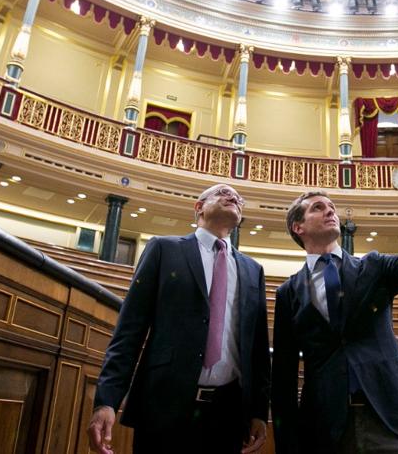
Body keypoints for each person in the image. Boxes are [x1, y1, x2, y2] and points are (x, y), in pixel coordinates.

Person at [272, 133, 398, 454]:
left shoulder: (374, 267)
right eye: (318, 208)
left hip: (387, 416)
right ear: (299, 227)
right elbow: (282, 376)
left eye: (332, 207)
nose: (330, 211)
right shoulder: (288, 293)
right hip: (325, 428)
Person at [88, 184, 269, 454]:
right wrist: (107, 401)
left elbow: (257, 348)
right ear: (199, 207)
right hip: (164, 404)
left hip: (227, 413)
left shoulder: (253, 270)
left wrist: (258, 411)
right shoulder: (164, 249)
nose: (233, 197)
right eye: (223, 193)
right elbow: (129, 331)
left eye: (238, 198)